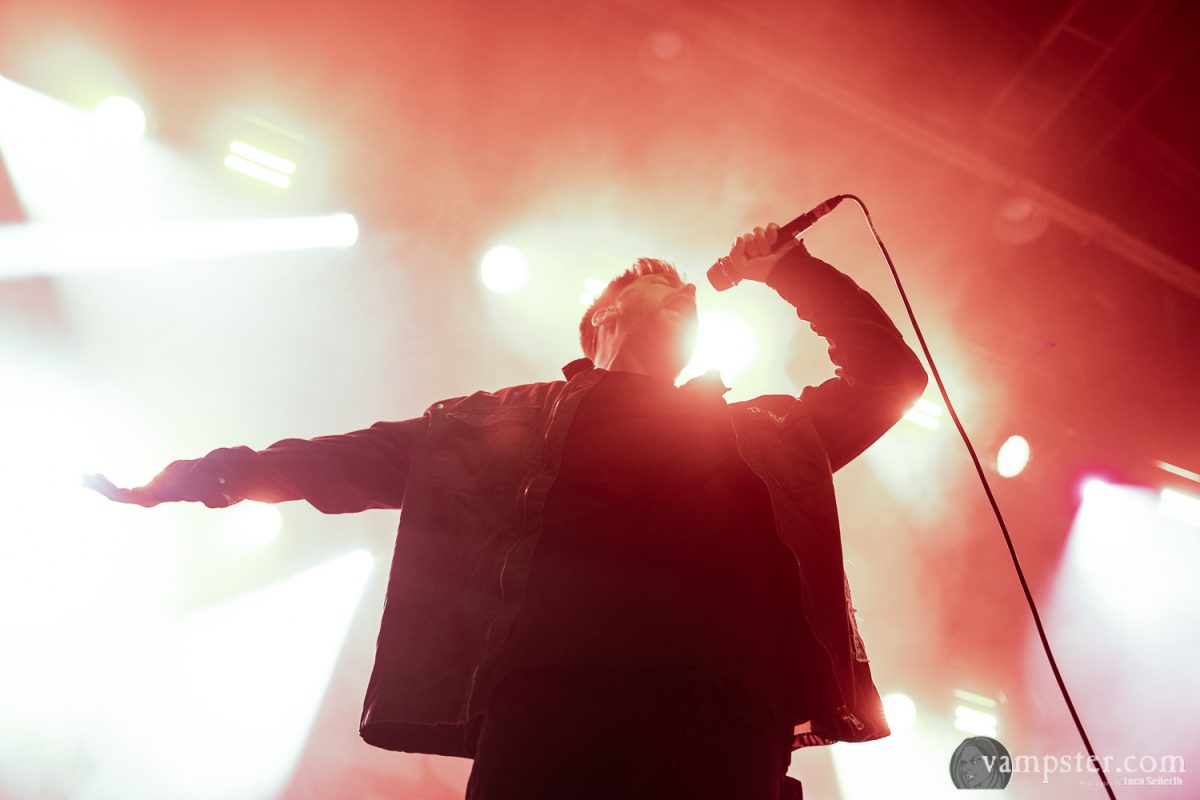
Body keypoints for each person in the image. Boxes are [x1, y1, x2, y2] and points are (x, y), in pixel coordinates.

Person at [85, 222, 928, 799]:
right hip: (553, 715)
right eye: (659, 286)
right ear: (602, 318)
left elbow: (888, 379)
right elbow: (346, 460)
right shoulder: (501, 423)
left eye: (690, 296)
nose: (685, 295)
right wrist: (197, 476)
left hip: (724, 726)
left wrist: (792, 269)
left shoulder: (765, 432)